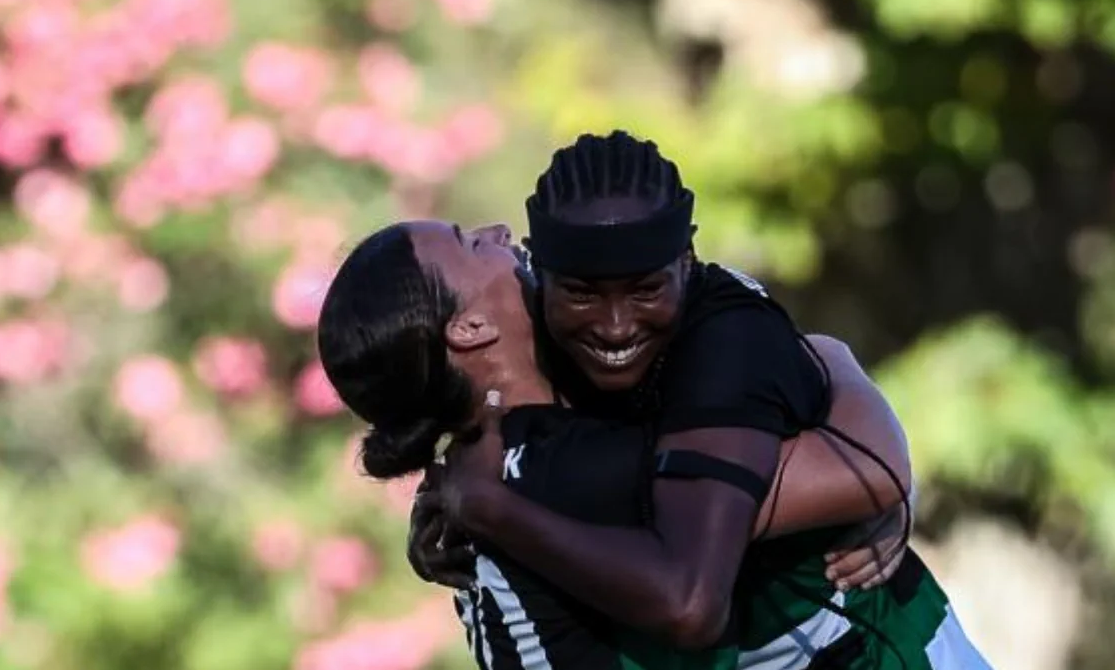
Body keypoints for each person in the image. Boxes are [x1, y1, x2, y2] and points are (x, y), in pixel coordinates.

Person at [318, 219, 987, 668]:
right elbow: (860, 468)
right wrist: (838, 367)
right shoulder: (549, 477)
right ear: (467, 327)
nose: (498, 231)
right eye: (470, 243)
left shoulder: (525, 441)